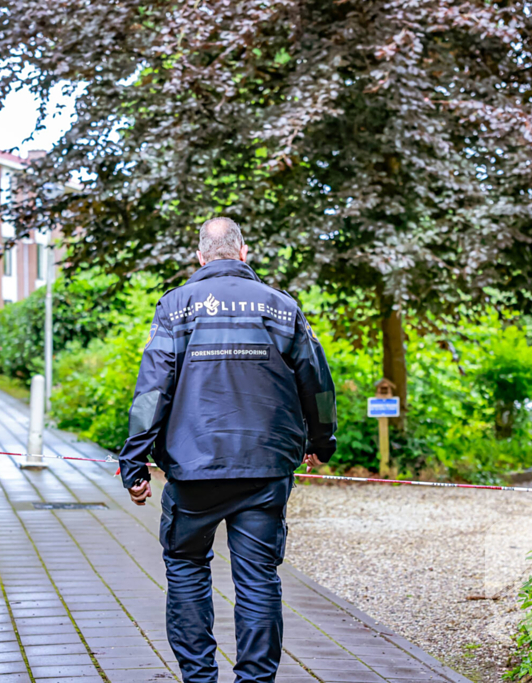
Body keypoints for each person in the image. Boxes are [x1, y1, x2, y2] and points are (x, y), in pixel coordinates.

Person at [117, 217, 338, 683]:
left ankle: (199, 679)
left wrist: (133, 461)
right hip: (265, 467)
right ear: (243, 252)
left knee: (186, 568)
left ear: (200, 257)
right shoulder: (281, 306)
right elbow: (317, 381)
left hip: (192, 470)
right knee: (258, 578)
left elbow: (152, 389)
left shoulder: (175, 307)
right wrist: (322, 442)